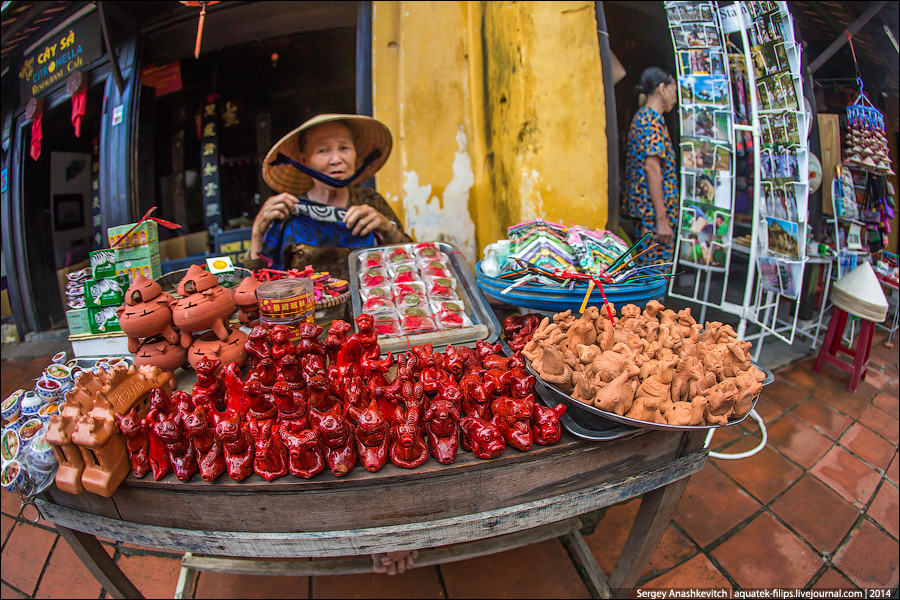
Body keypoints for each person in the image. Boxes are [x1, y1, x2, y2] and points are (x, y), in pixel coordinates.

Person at [245, 114, 412, 279]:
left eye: (344, 148)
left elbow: (412, 259)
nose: (336, 159)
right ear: (304, 161)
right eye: (323, 150)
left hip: (370, 304)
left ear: (355, 153)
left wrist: (386, 227)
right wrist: (258, 233)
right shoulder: (289, 210)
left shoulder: (370, 201)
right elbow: (260, 279)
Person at [622, 67, 679, 266]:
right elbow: (652, 168)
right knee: (655, 274)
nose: (675, 98)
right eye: (674, 90)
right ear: (662, 89)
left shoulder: (643, 118)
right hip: (653, 217)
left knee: (650, 273)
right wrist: (662, 219)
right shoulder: (651, 121)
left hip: (648, 215)